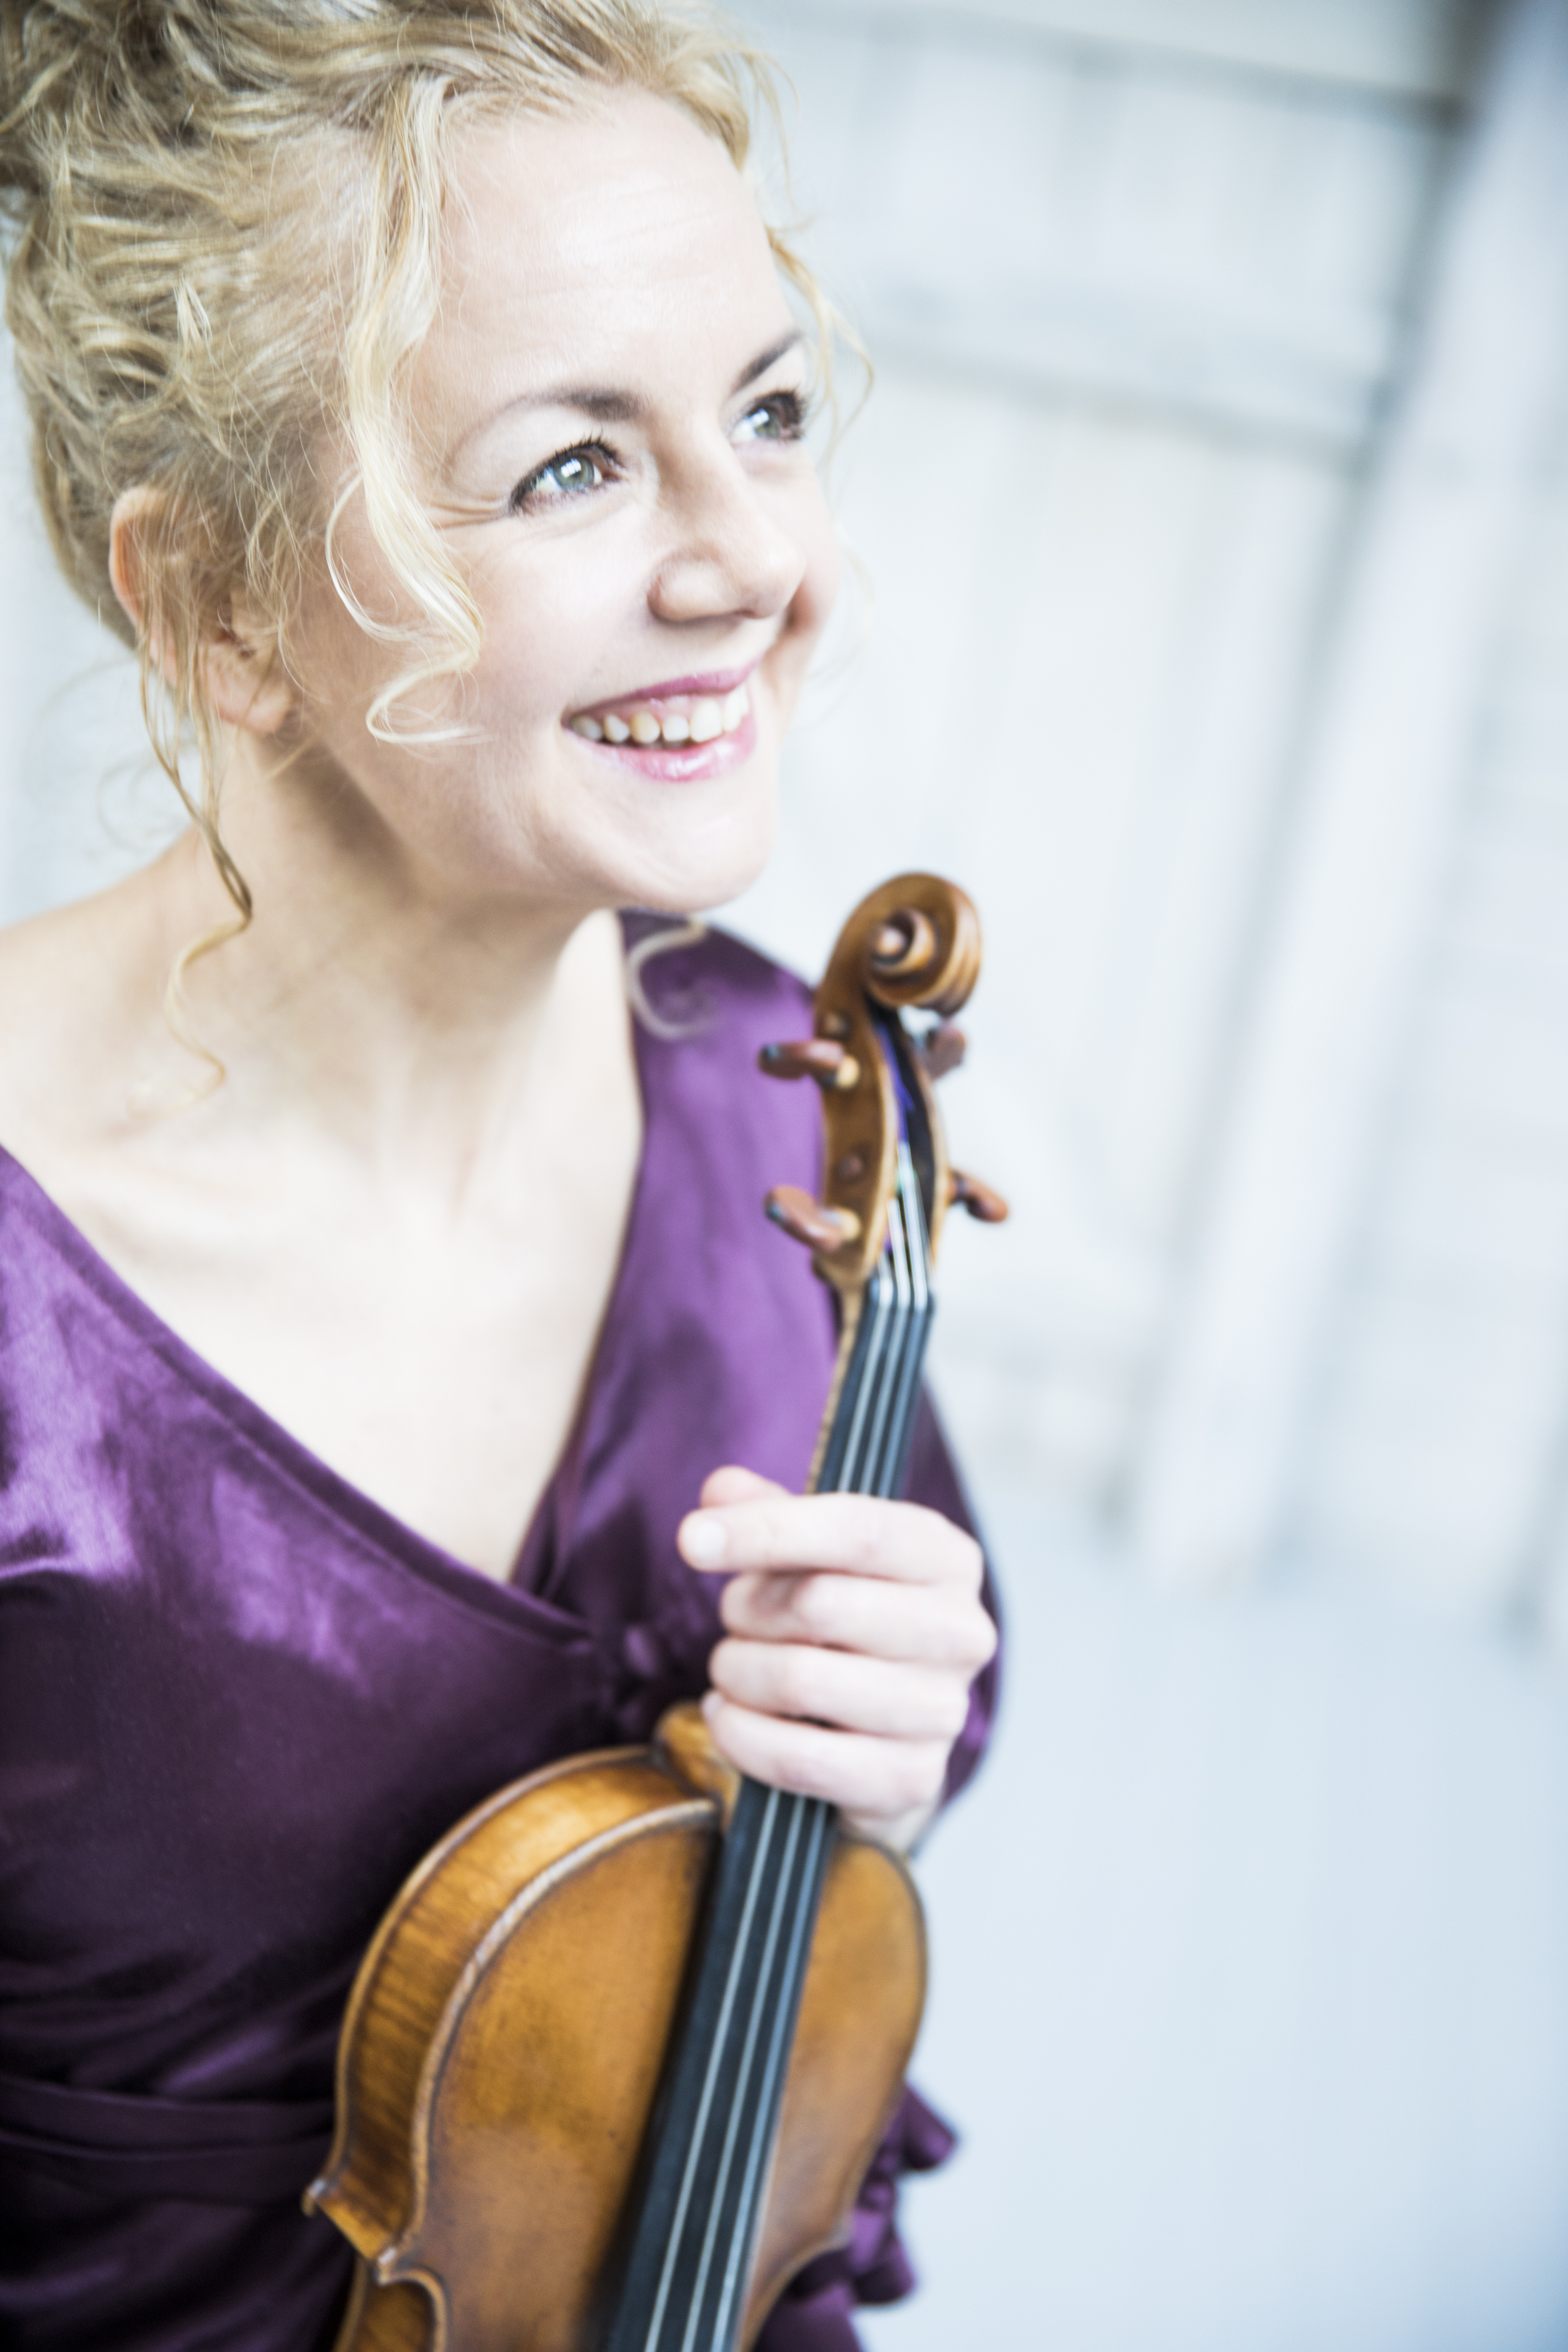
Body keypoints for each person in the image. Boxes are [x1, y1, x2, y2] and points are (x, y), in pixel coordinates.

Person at [0, 4, 1000, 2346]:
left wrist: (874, 1763)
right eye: (572, 469)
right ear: (218, 609)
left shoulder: (773, 1082)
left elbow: (837, 1826)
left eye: (768, 414)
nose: (756, 561)